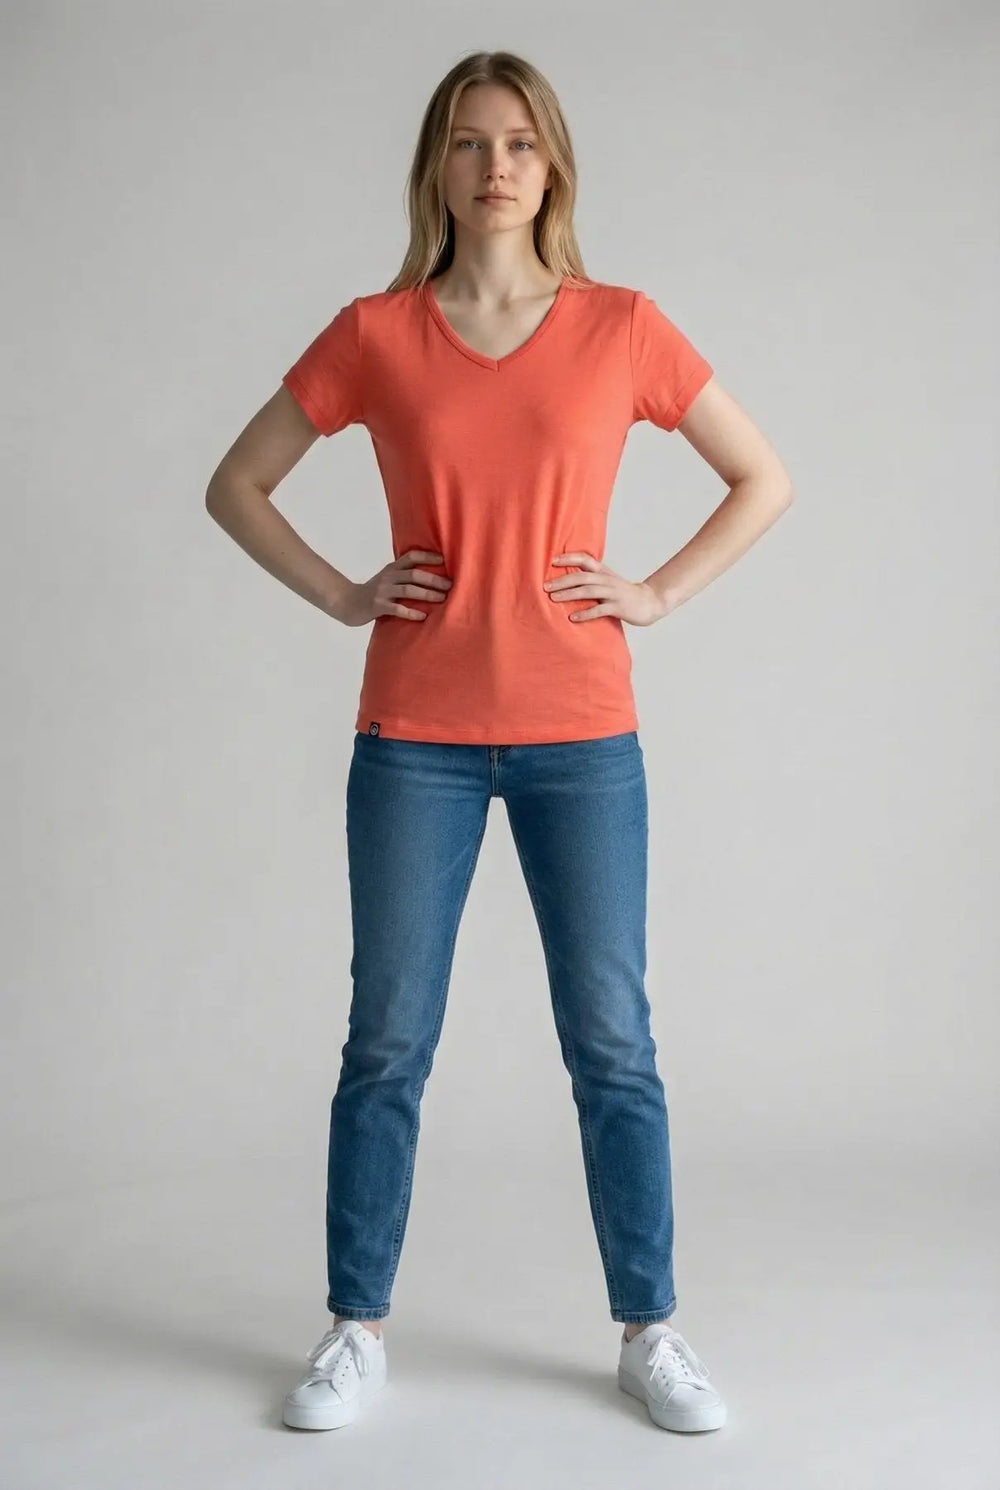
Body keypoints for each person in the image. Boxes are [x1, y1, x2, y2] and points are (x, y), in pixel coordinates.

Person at [205, 50, 793, 1435]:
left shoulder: (621, 326)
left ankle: (650, 1327)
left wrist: (652, 590)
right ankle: (355, 1327)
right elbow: (236, 483)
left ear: (553, 165)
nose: (495, 167)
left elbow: (762, 476)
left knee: (612, 1041)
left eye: (519, 142)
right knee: (388, 1038)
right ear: (437, 169)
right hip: (413, 734)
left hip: (583, 737)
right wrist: (348, 591)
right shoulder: (375, 334)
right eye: (469, 144)